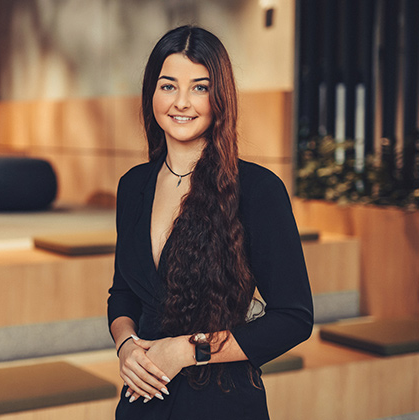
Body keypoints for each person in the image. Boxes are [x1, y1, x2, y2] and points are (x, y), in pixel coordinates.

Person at [107, 25, 313, 419]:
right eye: (168, 86)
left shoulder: (258, 189)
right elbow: (123, 292)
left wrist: (187, 350)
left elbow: (294, 317)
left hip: (222, 401)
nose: (182, 102)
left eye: (199, 88)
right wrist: (127, 346)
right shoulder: (133, 185)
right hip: (144, 398)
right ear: (151, 92)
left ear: (220, 97)